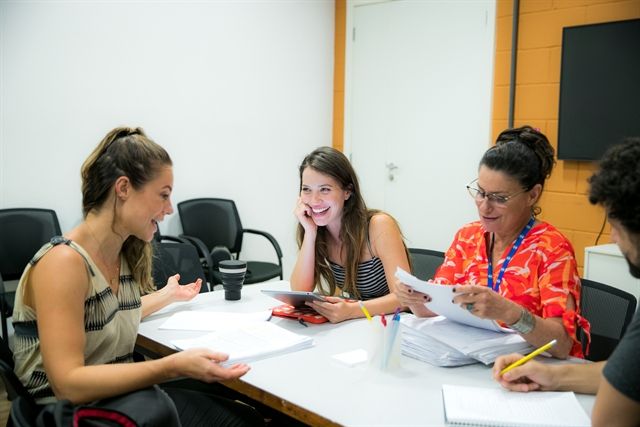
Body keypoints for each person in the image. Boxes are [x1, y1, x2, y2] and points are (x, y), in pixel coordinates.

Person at [12, 127, 263, 426]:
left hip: (116, 401)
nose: (169, 209)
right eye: (163, 195)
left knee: (246, 415)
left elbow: (108, 315)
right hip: (71, 416)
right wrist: (172, 366)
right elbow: (69, 384)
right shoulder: (63, 262)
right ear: (123, 188)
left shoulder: (121, 256)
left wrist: (167, 295)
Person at [396, 126, 589, 359]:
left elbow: (561, 344)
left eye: (499, 198)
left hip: (529, 372)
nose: (484, 206)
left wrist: (511, 313)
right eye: (481, 192)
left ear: (532, 195)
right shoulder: (468, 237)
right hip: (471, 361)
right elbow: (434, 310)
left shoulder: (552, 248)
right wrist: (415, 301)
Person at [493, 138, 640, 426]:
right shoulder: (469, 235)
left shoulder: (552, 245)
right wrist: (550, 375)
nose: (612, 238)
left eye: (615, 226)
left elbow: (608, 418)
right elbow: (621, 371)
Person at [290, 146, 411, 323]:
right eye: (306, 189)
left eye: (325, 189)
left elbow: (405, 298)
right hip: (360, 321)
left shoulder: (378, 225)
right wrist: (310, 233)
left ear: (347, 191)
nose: (314, 200)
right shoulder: (318, 231)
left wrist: (352, 310)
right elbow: (299, 292)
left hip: (393, 323)